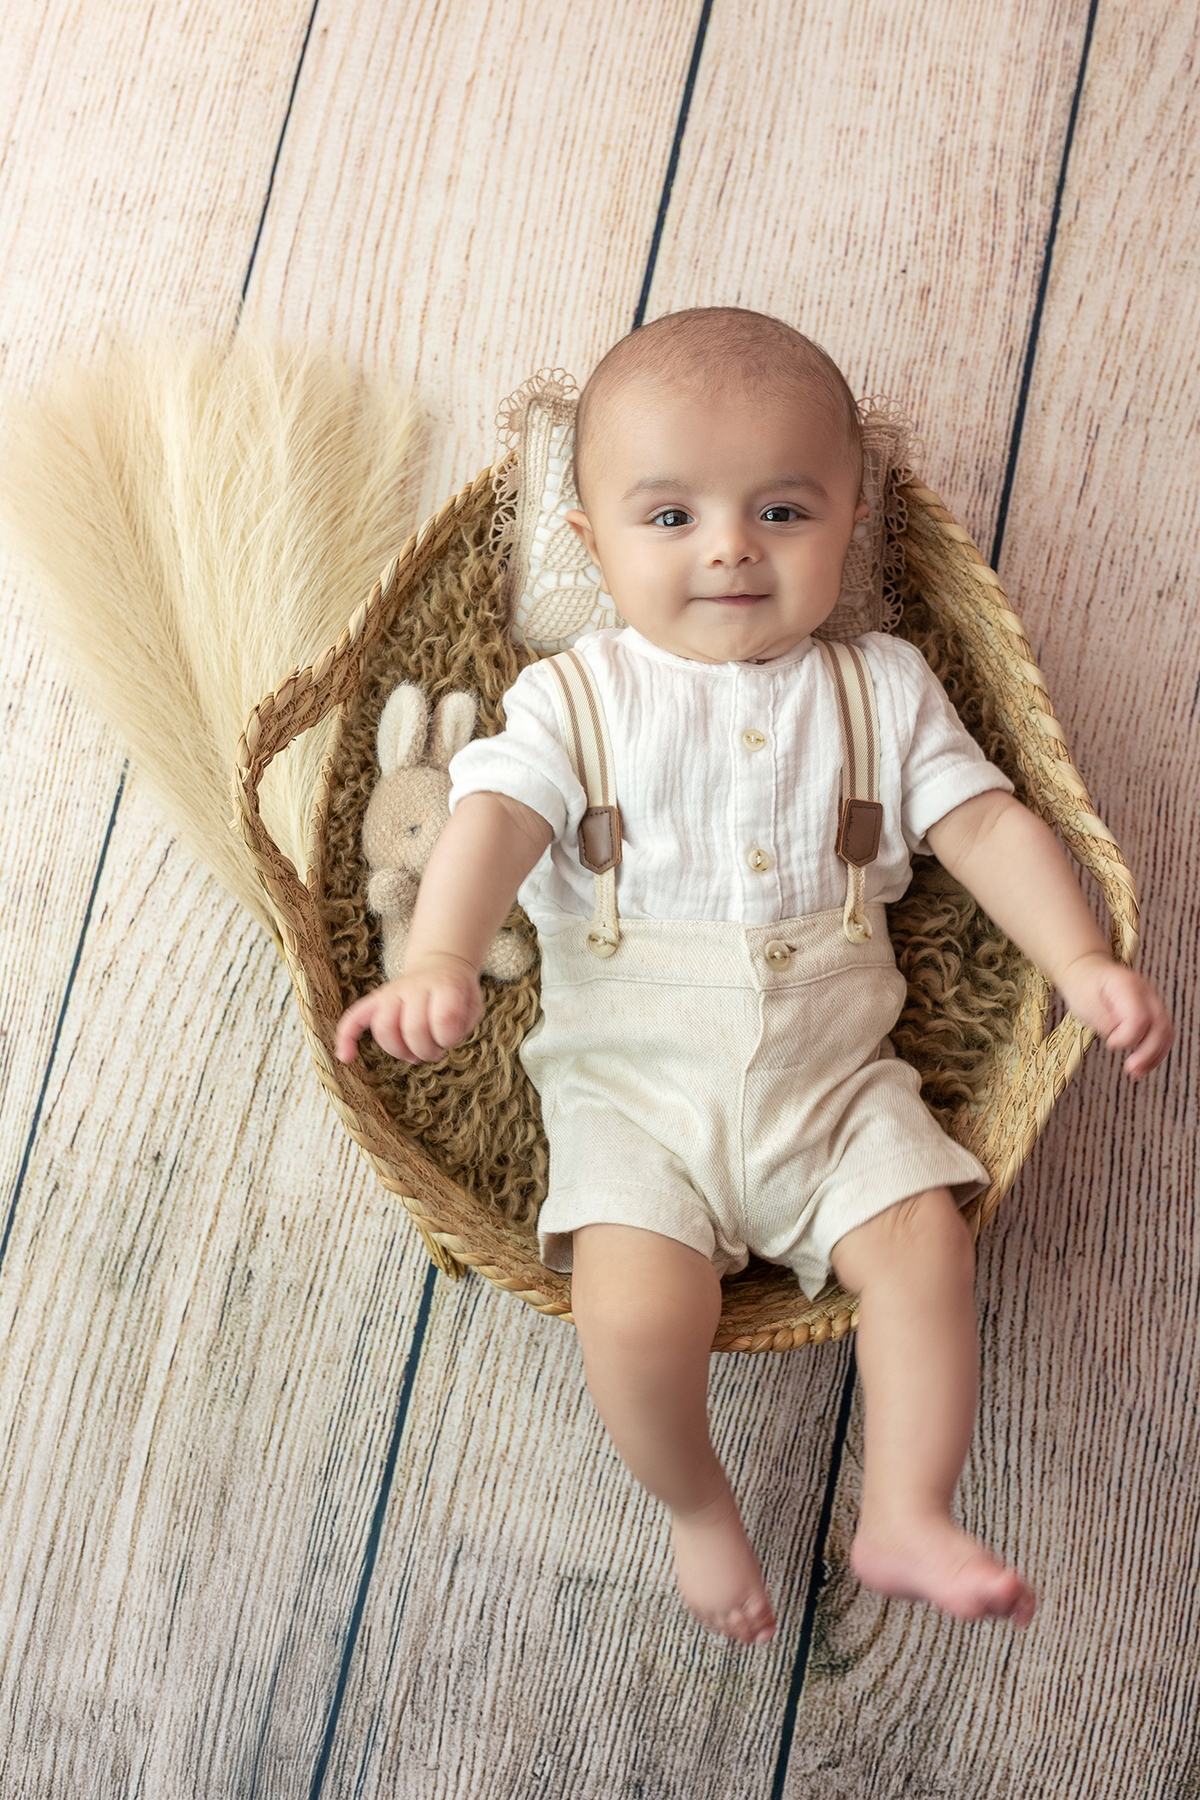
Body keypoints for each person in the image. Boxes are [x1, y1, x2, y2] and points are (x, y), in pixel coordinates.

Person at [335, 309, 1173, 1647]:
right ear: (591, 544)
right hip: (636, 1102)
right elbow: (490, 822)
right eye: (671, 517)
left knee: (926, 1252)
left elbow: (990, 824)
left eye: (782, 510)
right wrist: (440, 955)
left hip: (836, 1093)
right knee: (630, 1316)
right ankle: (694, 1501)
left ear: (852, 522)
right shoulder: (574, 699)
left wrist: (1078, 958)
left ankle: (907, 1505)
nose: (730, 546)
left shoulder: (883, 689)